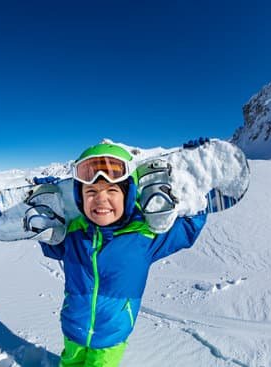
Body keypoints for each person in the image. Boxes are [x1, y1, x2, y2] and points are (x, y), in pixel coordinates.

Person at [38, 142, 207, 367]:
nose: (100, 199)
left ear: (128, 195)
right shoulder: (74, 232)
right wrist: (45, 217)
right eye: (91, 191)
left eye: (111, 190)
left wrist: (194, 185)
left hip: (112, 336)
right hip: (73, 327)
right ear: (80, 198)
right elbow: (52, 246)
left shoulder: (144, 236)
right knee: (69, 364)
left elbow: (186, 229)